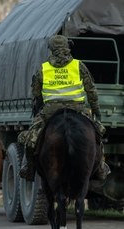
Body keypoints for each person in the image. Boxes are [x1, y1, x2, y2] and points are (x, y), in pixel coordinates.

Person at [18, 34, 111, 182]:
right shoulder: (78, 65)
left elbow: (36, 93)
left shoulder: (43, 69)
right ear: (67, 47)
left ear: (51, 49)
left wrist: (40, 108)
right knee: (97, 134)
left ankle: (29, 168)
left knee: (31, 138)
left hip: (50, 111)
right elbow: (91, 90)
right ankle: (100, 167)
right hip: (78, 109)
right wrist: (96, 110)